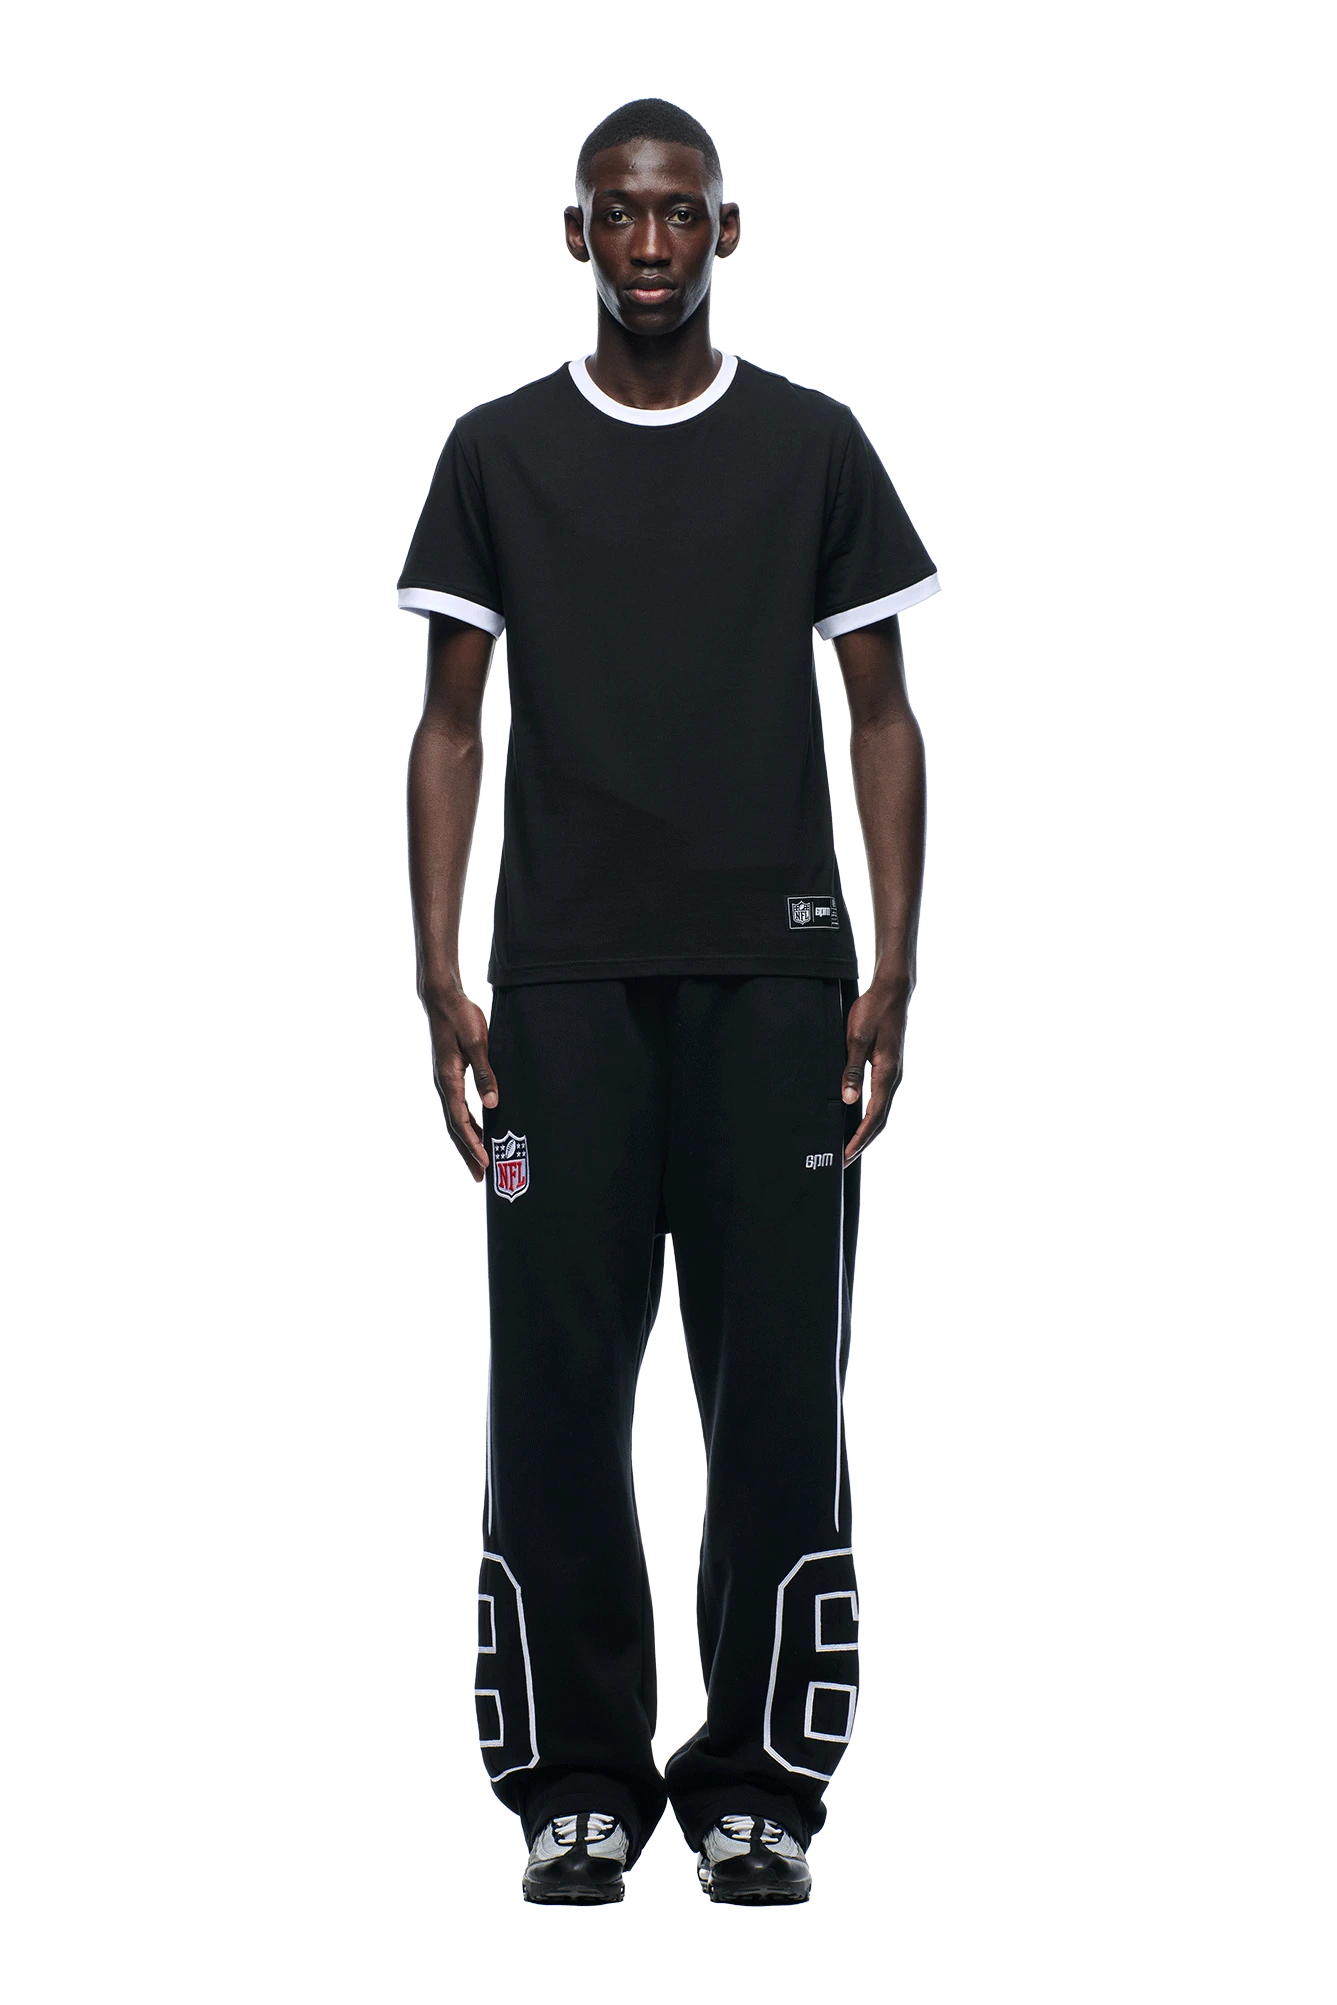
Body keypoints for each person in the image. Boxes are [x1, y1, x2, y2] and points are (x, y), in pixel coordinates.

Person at [399, 96, 939, 1907]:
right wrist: (441, 968)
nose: (651, 246)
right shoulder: (496, 451)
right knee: (559, 1383)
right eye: (621, 215)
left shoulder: (815, 444)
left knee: (778, 1382)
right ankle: (577, 1782)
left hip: (777, 977)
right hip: (562, 979)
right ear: (576, 232)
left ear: (728, 230)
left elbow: (882, 710)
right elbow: (450, 724)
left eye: (681, 215)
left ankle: (761, 1789)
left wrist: (890, 961)